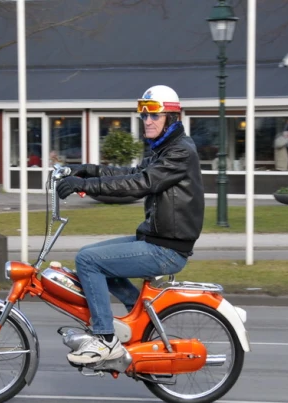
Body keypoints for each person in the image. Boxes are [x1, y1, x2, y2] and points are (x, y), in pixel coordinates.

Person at [55, 85, 204, 365]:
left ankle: (105, 339)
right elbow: (135, 172)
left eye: (154, 115)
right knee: (92, 257)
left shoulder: (179, 152)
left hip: (166, 249)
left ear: (171, 117)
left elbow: (141, 184)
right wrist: (89, 169)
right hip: (155, 239)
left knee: (88, 261)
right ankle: (138, 318)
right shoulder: (167, 148)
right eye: (144, 115)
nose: (147, 120)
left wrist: (85, 185)